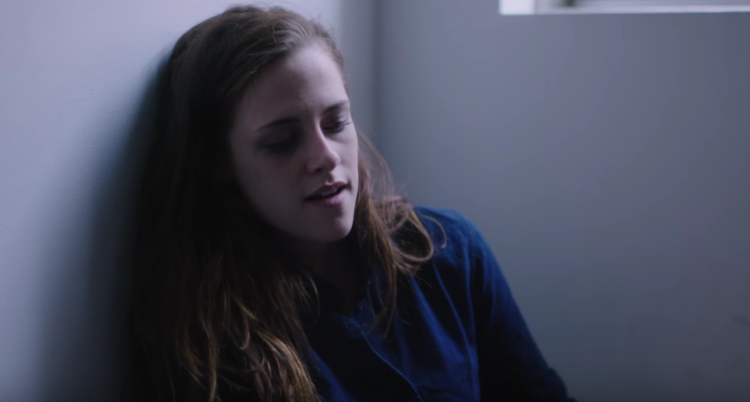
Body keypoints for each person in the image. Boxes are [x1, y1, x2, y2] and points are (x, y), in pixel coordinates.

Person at [126, 5, 575, 402]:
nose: (326, 157)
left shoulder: (451, 252)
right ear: (218, 162)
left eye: (335, 122)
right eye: (283, 141)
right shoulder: (207, 344)